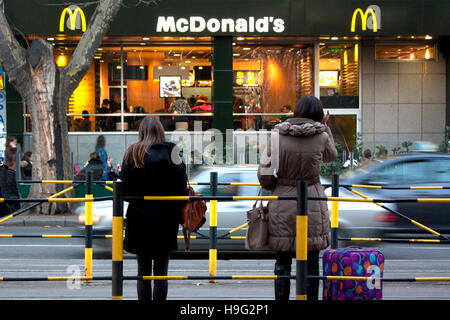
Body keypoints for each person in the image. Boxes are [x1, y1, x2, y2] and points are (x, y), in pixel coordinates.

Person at [257, 95, 337, 301]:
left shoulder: (277, 135)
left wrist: (275, 186)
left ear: (296, 111)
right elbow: (331, 156)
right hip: (312, 201)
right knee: (311, 264)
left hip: (282, 201)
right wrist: (325, 127)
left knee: (282, 263)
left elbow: (264, 172)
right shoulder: (321, 137)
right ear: (319, 115)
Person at [120, 117, 188, 301]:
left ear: (141, 132)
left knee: (142, 271)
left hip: (139, 219)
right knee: (160, 272)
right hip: (166, 220)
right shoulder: (173, 152)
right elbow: (182, 190)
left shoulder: (133, 153)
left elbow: (124, 190)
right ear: (161, 131)